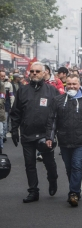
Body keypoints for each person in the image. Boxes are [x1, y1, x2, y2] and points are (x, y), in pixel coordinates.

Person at [9, 61, 60, 203]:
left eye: (37, 71)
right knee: (29, 164)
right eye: (32, 71)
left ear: (44, 73)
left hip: (45, 135)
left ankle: (53, 179)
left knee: (49, 162)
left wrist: (57, 132)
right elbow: (15, 112)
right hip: (27, 134)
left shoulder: (52, 91)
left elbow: (57, 113)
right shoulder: (22, 90)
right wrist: (14, 130)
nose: (34, 74)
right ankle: (33, 191)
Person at [46, 74, 82, 207]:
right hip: (64, 140)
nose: (71, 86)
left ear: (79, 85)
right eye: (69, 84)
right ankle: (76, 190)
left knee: (76, 166)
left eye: (74, 84)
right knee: (69, 168)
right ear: (65, 85)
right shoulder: (57, 100)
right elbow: (52, 120)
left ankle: (73, 193)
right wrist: (50, 137)